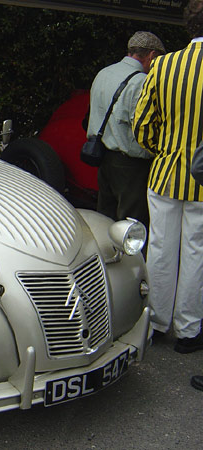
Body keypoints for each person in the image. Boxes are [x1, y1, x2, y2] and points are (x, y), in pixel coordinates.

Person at [133, 0, 203, 354]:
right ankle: (188, 331)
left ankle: (156, 322)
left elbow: (141, 124)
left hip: (165, 172)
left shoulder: (163, 64)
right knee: (197, 251)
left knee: (160, 247)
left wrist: (163, 150)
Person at [87, 31, 166, 230]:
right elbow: (142, 125)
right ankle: (128, 262)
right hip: (130, 164)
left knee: (105, 219)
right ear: (152, 56)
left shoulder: (104, 72)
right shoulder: (141, 82)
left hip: (103, 156)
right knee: (130, 225)